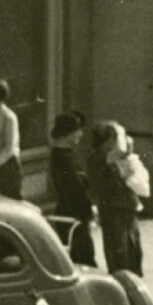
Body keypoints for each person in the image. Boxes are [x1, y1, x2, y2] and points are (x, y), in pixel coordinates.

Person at [91, 121, 148, 276]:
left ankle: (132, 279)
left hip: (127, 210)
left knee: (133, 249)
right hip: (115, 212)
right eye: (116, 138)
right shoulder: (100, 158)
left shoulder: (114, 158)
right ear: (108, 140)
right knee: (120, 252)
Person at [49, 112, 101, 267]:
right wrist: (89, 209)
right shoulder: (64, 158)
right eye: (77, 130)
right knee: (83, 259)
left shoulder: (62, 155)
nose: (81, 134)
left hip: (69, 211)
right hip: (73, 214)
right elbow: (75, 188)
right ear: (67, 133)